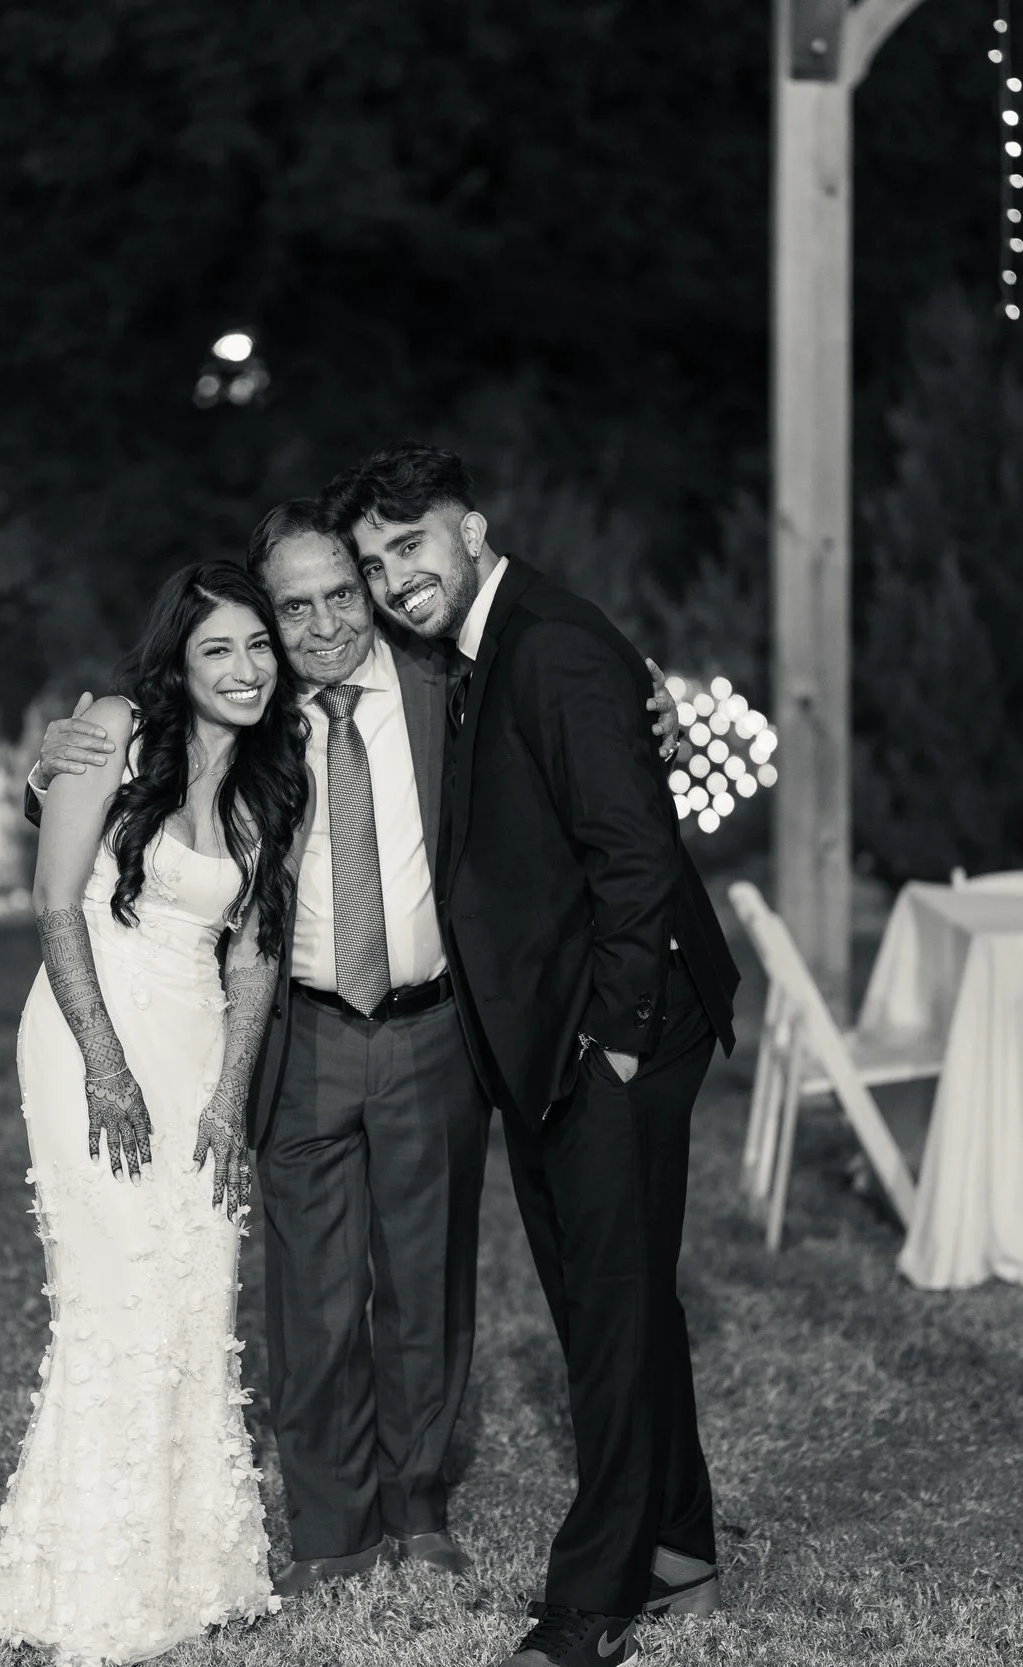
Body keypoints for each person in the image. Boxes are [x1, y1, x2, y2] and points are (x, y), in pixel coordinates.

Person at [28, 507, 688, 1606]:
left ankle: (418, 1506)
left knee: (426, 1287)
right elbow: (137, 769)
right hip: (301, 1025)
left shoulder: (446, 685)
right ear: (270, 618)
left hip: (437, 1028)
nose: (325, 622)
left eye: (343, 592)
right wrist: (58, 751)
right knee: (313, 1294)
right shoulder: (254, 700)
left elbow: (564, 690)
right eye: (295, 606)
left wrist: (647, 701)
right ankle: (331, 1526)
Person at [324, 443, 739, 1667]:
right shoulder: (479, 645)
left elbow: (633, 855)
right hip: (553, 1038)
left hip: (614, 1032)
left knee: (606, 1315)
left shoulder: (548, 641)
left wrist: (610, 1040)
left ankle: (590, 1599)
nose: (395, 577)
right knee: (613, 1302)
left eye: (410, 546)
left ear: (471, 527)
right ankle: (679, 1548)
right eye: (373, 561)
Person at [0, 562, 310, 1667]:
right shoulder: (113, 732)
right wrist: (106, 1068)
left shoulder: (271, 778)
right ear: (179, 661)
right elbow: (53, 900)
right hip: (88, 1029)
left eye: (259, 646)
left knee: (195, 1286)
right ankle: (91, 1582)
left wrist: (229, 1094)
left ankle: (194, 1567)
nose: (246, 668)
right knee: (115, 1293)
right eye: (219, 649)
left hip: (198, 1038)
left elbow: (255, 953)